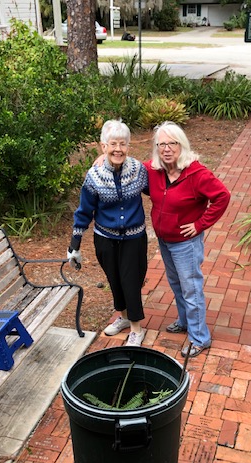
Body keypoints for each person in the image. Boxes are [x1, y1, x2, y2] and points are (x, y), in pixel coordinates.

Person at [146, 121, 231, 357]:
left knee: (191, 289)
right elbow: (129, 166)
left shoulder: (197, 174)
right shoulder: (154, 170)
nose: (166, 149)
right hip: (165, 240)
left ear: (181, 145)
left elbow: (223, 196)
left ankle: (200, 338)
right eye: (161, 144)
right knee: (176, 284)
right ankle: (184, 321)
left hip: (185, 243)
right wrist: (103, 158)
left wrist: (200, 224)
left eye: (171, 143)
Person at [67, 120, 149, 347]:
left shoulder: (139, 170)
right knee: (114, 279)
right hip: (105, 238)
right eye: (113, 144)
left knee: (131, 281)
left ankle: (136, 329)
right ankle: (123, 317)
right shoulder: (94, 176)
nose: (118, 149)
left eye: (123, 144)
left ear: (129, 146)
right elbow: (84, 211)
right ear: (103, 146)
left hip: (134, 238)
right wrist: (74, 244)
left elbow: (159, 189)